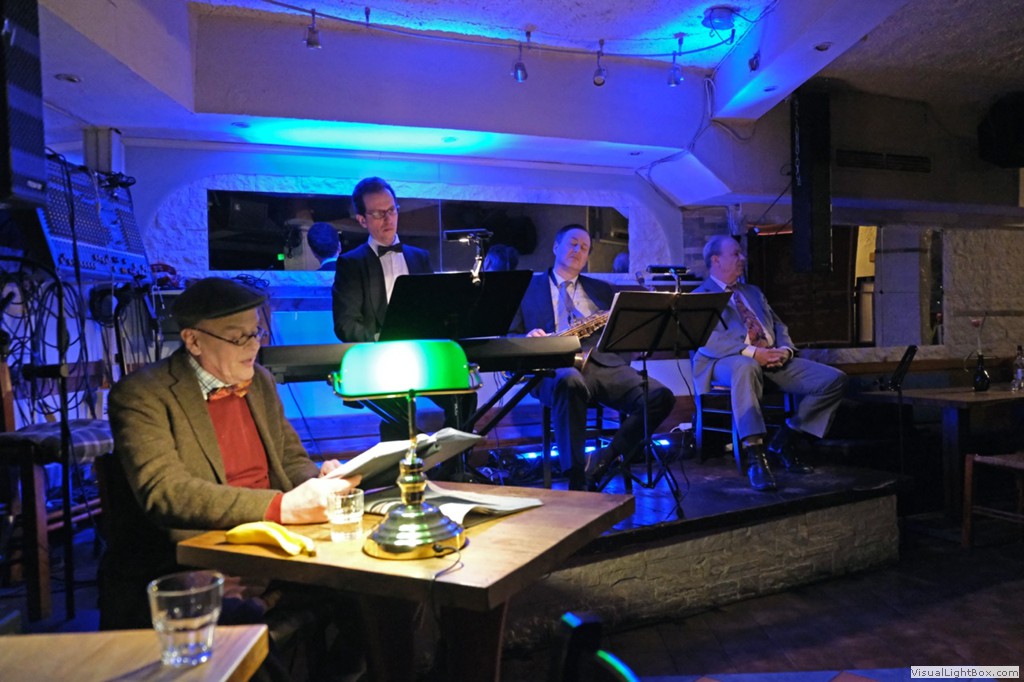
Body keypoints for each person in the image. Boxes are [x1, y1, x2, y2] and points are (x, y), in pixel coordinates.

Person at [100, 277, 363, 678]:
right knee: (237, 629)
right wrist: (282, 507)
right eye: (238, 337)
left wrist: (318, 482)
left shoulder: (260, 381)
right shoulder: (142, 395)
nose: (253, 346)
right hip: (192, 558)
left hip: (273, 549)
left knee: (377, 591)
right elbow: (166, 493)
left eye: (256, 332)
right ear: (193, 341)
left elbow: (290, 459)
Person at [510, 224, 676, 491]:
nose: (578, 250)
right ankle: (576, 478)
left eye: (584, 247)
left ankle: (603, 460)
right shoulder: (526, 288)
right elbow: (510, 336)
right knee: (570, 382)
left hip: (604, 364)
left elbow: (623, 331)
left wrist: (637, 343)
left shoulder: (604, 290)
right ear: (556, 246)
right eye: (573, 243)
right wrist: (528, 336)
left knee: (660, 396)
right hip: (553, 366)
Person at [691, 234, 848, 491]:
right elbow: (707, 340)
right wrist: (753, 353)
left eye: (741, 253)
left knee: (833, 380)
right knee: (746, 367)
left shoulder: (753, 292)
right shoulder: (699, 296)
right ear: (716, 260)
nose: (742, 258)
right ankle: (755, 454)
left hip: (770, 357)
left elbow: (777, 324)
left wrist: (785, 349)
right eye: (736, 254)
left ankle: (787, 437)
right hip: (724, 361)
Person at [331, 176, 471, 447]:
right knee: (399, 412)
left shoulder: (420, 257)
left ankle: (452, 464)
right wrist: (381, 340)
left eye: (392, 210)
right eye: (378, 213)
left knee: (464, 396)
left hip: (424, 358)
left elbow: (436, 309)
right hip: (379, 361)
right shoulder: (351, 263)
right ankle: (409, 462)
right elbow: (345, 324)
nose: (388, 219)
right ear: (362, 220)